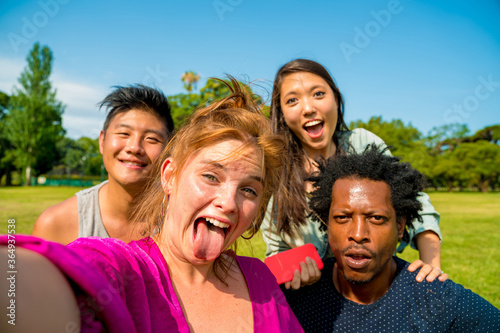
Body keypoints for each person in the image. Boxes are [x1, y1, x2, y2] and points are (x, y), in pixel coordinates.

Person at [0, 78, 303, 333]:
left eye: (249, 190)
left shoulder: (259, 278)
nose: (228, 203)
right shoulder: (121, 268)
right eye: (211, 176)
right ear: (170, 176)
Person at [261, 59, 445, 289]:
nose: (307, 108)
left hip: (375, 287)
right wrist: (294, 273)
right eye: (292, 100)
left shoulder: (362, 143)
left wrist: (431, 264)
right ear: (282, 115)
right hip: (315, 296)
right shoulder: (275, 172)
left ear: (336, 100)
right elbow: (276, 251)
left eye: (318, 94)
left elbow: (414, 203)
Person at [283, 144, 500, 332]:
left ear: (399, 226)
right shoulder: (298, 295)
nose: (358, 234)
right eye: (342, 217)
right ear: (326, 223)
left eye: (376, 218)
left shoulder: (434, 297)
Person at [32, 84, 174, 244]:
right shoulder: (55, 226)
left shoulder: (182, 220)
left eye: (152, 139)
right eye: (124, 133)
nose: (134, 148)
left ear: (168, 151)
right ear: (102, 141)